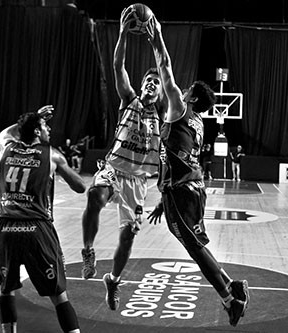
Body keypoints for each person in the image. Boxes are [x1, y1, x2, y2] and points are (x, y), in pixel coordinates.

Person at [146, 15, 250, 327]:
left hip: (181, 189)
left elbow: (164, 67)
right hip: (190, 187)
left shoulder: (179, 107)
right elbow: (177, 154)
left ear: (190, 96)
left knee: (192, 247)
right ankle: (232, 287)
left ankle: (230, 299)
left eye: (186, 88)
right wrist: (163, 199)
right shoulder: (199, 122)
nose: (181, 88)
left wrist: (156, 38)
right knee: (198, 244)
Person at [80, 6, 165, 312]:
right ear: (141, 86)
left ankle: (113, 280)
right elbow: (118, 66)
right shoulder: (128, 99)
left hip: (139, 182)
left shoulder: (162, 113)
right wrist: (122, 35)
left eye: (156, 83)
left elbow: (164, 72)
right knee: (95, 194)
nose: (152, 84)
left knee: (127, 238)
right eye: (148, 81)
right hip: (114, 169)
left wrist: (157, 46)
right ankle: (88, 250)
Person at [0, 106, 86, 333]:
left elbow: (5, 132)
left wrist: (34, 116)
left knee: (6, 289)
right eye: (45, 126)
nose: (49, 130)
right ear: (36, 131)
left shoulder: (6, 147)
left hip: (5, 228)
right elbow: (80, 187)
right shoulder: (52, 155)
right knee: (58, 294)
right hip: (36, 228)